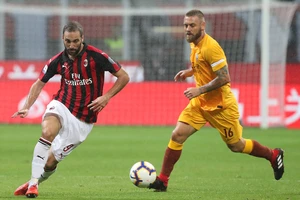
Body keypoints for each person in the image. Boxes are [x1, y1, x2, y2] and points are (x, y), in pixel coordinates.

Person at [148, 9, 284, 192]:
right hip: (200, 103)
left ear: (202, 26)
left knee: (236, 145)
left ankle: (273, 155)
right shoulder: (194, 43)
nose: (188, 29)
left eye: (192, 25)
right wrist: (190, 72)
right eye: (186, 25)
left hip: (220, 106)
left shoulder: (211, 47)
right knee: (177, 135)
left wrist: (199, 89)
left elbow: (224, 77)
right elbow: (202, 64)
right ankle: (163, 180)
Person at [12, 21, 130, 198]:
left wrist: (106, 97)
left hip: (83, 120)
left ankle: (33, 182)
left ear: (82, 38)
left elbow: (124, 76)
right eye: (68, 41)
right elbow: (39, 84)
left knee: (50, 163)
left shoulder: (97, 56)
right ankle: (33, 184)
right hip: (62, 105)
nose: (72, 45)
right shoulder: (58, 60)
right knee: (47, 131)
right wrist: (27, 106)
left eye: (75, 41)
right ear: (62, 39)